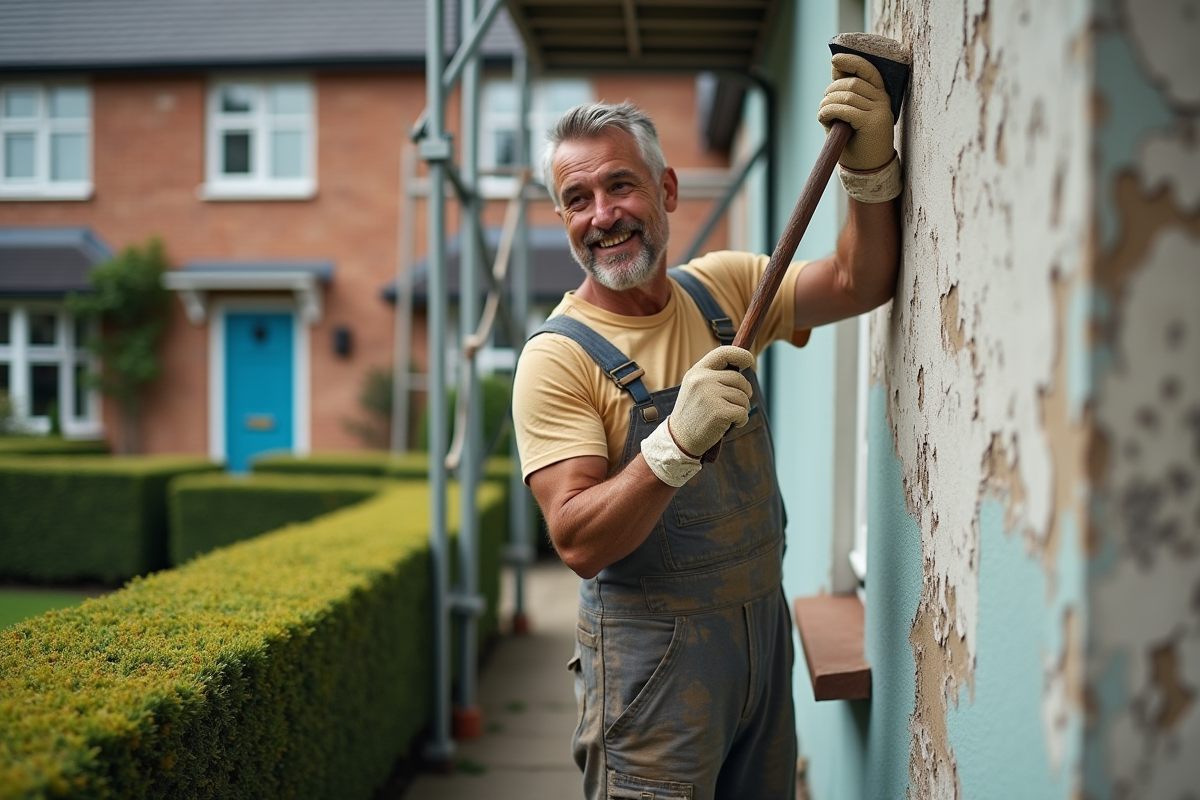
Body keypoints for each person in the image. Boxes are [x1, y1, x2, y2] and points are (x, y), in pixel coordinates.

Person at [511, 52, 902, 800]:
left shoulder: (724, 291)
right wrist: (672, 445)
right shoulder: (557, 360)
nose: (602, 215)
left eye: (620, 184)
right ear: (563, 219)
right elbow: (577, 540)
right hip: (652, 671)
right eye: (577, 198)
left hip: (763, 633)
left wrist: (872, 164)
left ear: (665, 189)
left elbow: (861, 279)